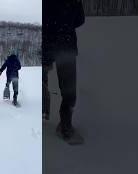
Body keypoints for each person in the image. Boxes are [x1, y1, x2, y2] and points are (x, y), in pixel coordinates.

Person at [44, 0, 85, 141]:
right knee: (69, 90)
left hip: (50, 46)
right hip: (64, 46)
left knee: (45, 83)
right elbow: (80, 20)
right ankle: (64, 125)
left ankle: (63, 124)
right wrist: (65, 24)